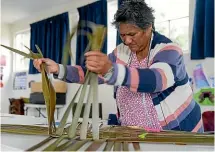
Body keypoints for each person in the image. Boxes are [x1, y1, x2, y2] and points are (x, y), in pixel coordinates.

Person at [34, 0, 203, 133]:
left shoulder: (169, 50)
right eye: (122, 35)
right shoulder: (121, 52)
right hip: (133, 132)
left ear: (148, 28)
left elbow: (156, 80)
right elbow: (92, 73)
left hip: (175, 132)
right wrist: (58, 69)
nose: (127, 40)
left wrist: (111, 70)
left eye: (132, 34)